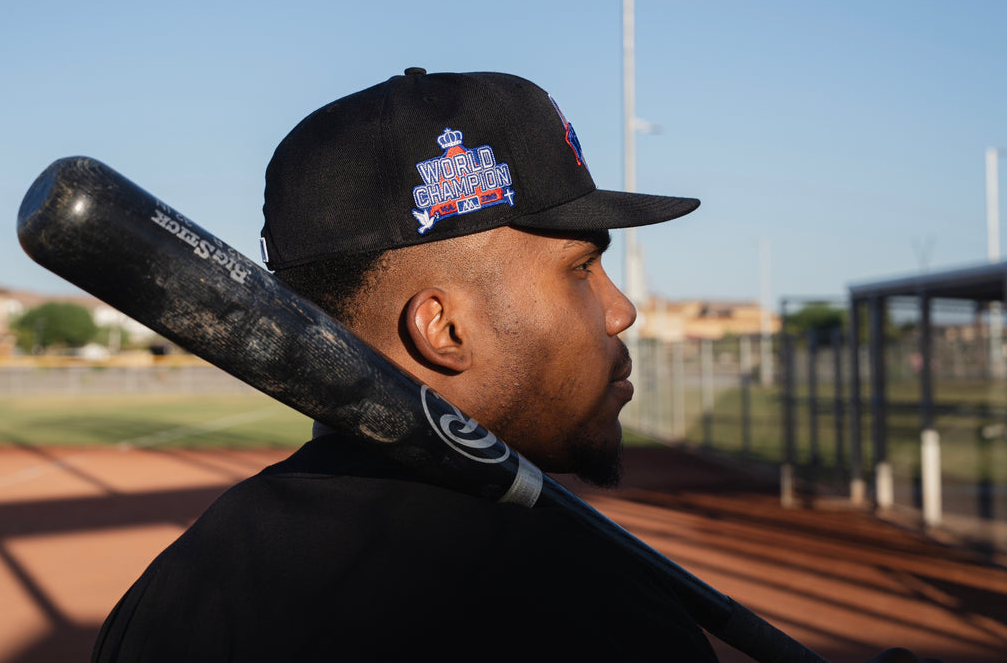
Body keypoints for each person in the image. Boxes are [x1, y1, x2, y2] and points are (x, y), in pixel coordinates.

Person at [92, 69, 940, 662]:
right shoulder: (586, 607)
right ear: (445, 328)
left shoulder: (173, 594)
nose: (622, 308)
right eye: (581, 268)